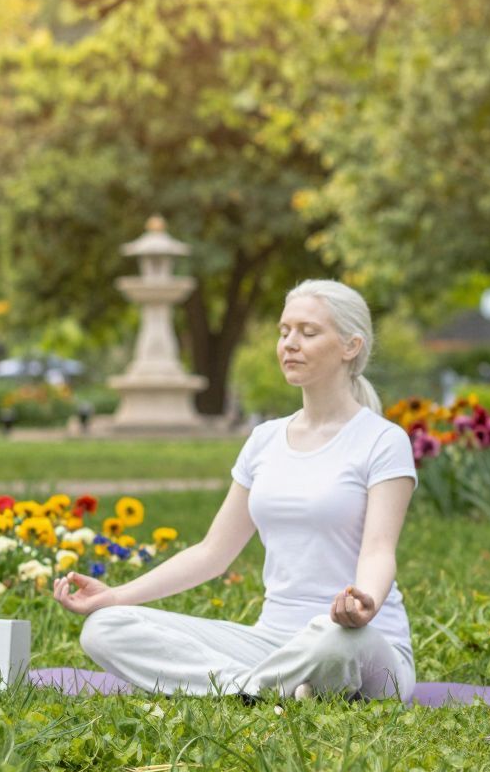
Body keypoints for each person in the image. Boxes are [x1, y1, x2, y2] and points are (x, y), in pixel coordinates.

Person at [53, 279, 419, 700]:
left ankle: (264, 685)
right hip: (270, 643)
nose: (290, 344)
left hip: (362, 643)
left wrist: (365, 601)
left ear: (350, 346)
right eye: (284, 332)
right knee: (104, 628)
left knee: (333, 640)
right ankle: (260, 688)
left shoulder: (382, 440)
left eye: (308, 332)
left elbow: (378, 549)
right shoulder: (264, 440)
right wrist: (116, 596)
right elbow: (212, 553)